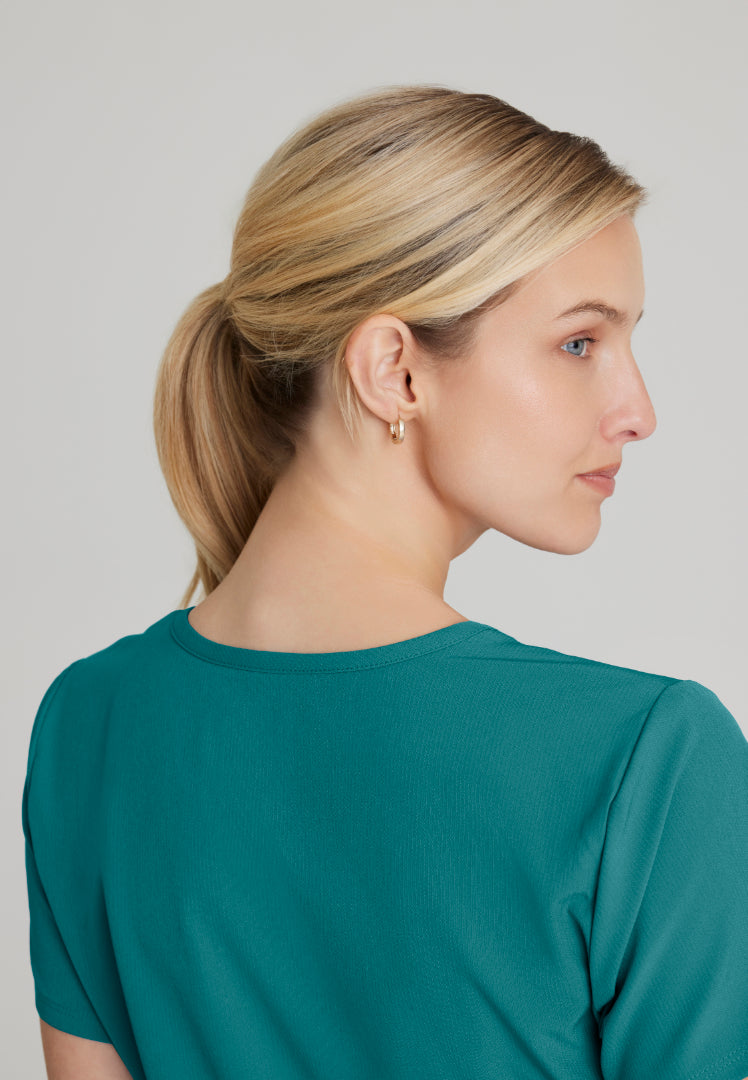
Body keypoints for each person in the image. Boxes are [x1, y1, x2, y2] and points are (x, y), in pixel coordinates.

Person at [22, 86, 748, 1080]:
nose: (638, 410)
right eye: (580, 343)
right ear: (393, 372)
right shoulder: (647, 763)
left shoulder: (87, 722)